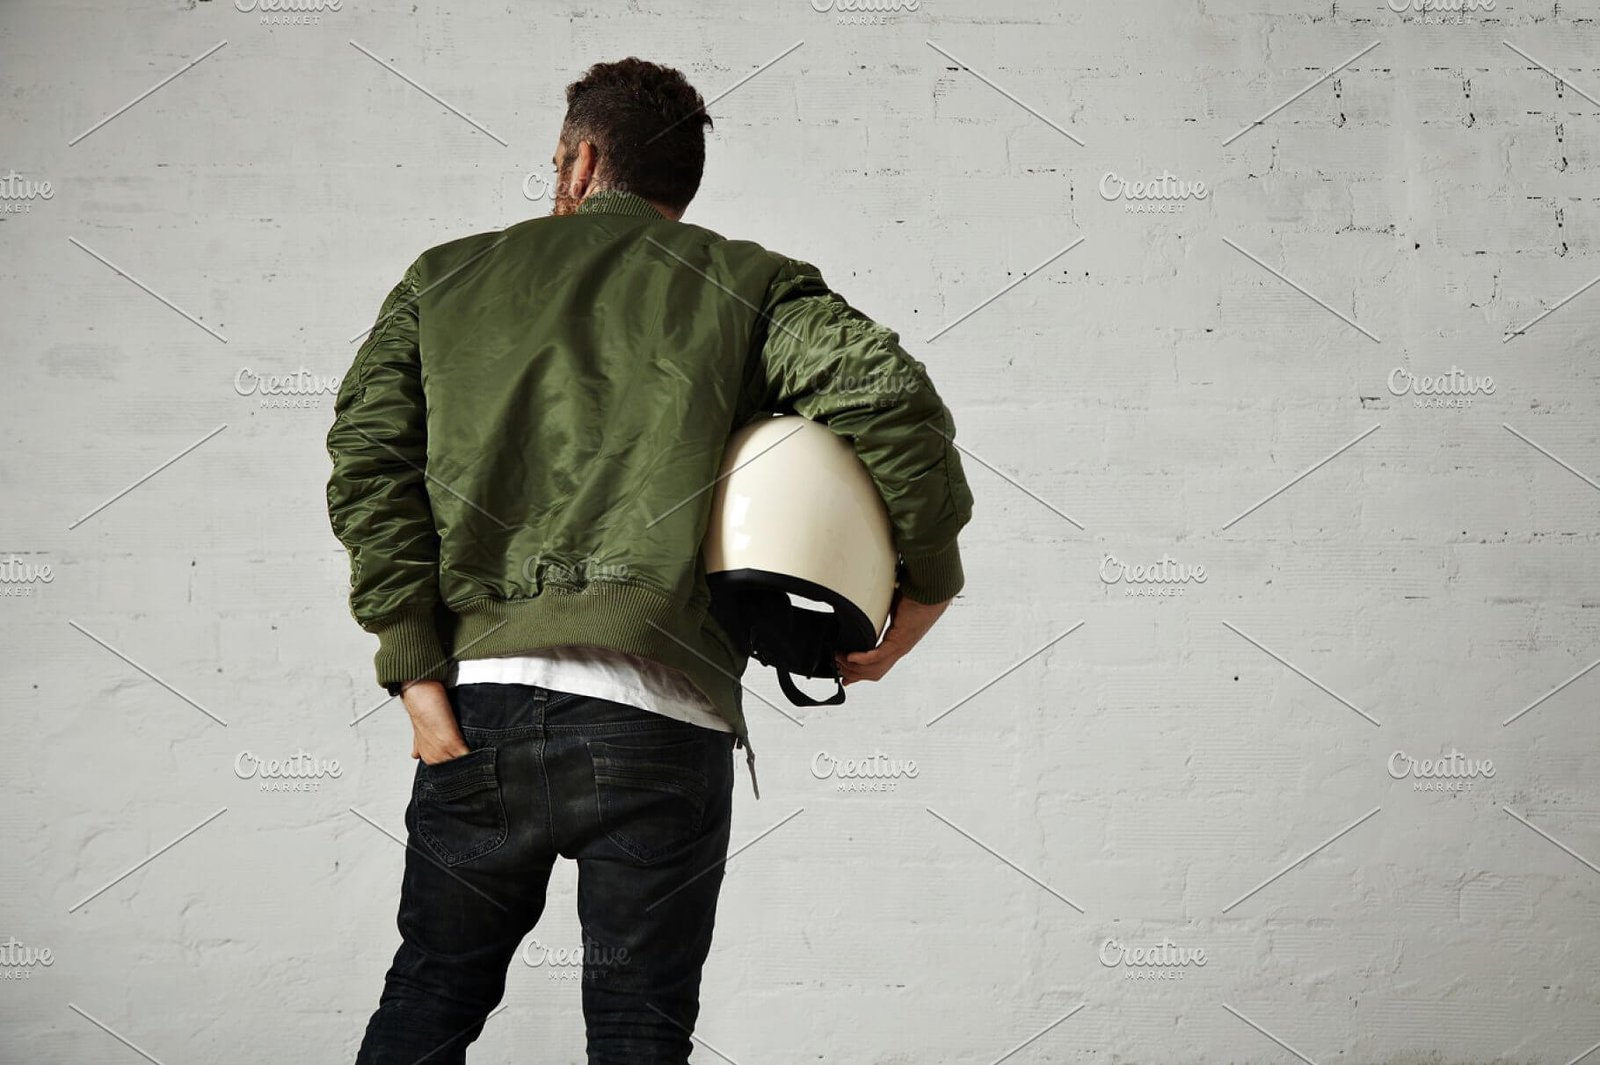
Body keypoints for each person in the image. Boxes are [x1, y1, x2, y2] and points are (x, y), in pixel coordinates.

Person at [326, 56, 974, 1065]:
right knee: (639, 1032)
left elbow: (371, 461)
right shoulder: (750, 284)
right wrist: (924, 588)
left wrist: (414, 668)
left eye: (556, 160)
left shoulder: (442, 278)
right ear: (680, 185)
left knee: (429, 999)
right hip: (661, 722)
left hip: (479, 709)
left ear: (583, 160)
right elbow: (887, 399)